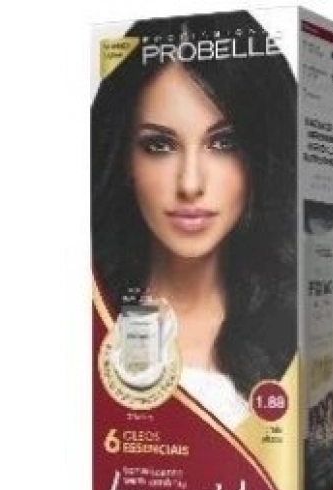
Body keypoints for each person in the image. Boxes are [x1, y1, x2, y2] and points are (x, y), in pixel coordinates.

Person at [92, 11, 297, 430]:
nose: (189, 184)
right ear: (125, 159)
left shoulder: (292, 333)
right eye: (158, 145)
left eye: (223, 143)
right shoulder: (95, 315)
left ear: (260, 155)